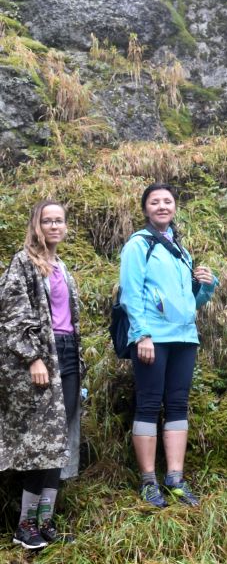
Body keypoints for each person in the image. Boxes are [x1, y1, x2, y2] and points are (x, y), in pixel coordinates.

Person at [119, 183, 218, 508]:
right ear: (145, 209)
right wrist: (141, 334)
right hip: (152, 338)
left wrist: (207, 288)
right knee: (148, 404)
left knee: (177, 404)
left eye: (167, 201)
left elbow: (188, 304)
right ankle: (148, 481)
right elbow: (130, 293)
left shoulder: (180, 250)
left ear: (174, 207)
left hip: (184, 338)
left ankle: (175, 478)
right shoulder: (139, 244)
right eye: (154, 202)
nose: (162, 206)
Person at [0, 200, 82, 549]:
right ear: (36, 225)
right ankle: (24, 526)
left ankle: (45, 522)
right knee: (41, 441)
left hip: (68, 354)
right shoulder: (22, 263)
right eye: (47, 221)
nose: (54, 226)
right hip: (42, 358)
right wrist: (33, 358)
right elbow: (12, 315)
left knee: (58, 440)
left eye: (59, 220)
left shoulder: (62, 266)